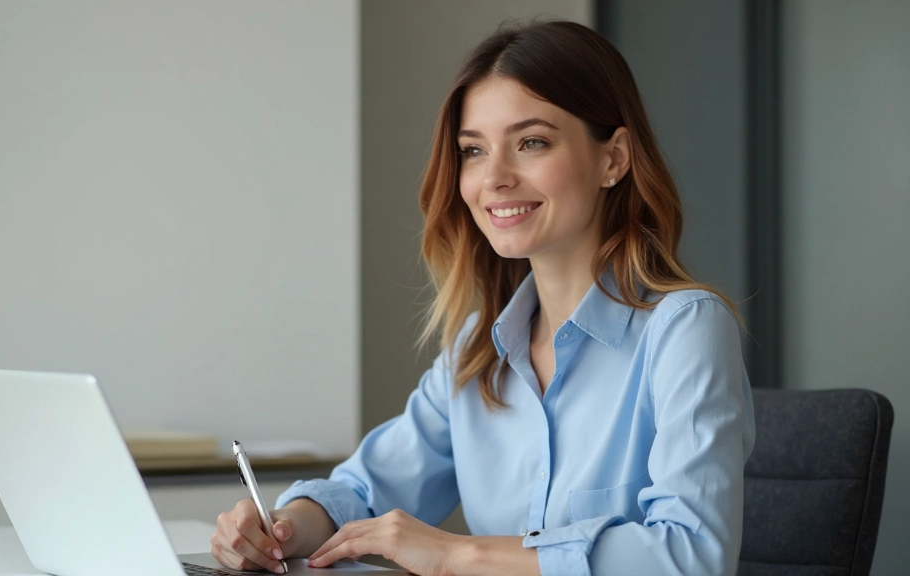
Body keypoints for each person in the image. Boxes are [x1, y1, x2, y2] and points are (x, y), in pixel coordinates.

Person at [211, 20, 755, 576]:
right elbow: (363, 492)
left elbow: (691, 554)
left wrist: (456, 554)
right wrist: (278, 529)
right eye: (473, 150)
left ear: (613, 158)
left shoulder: (687, 329)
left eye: (532, 142)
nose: (493, 177)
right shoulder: (478, 351)